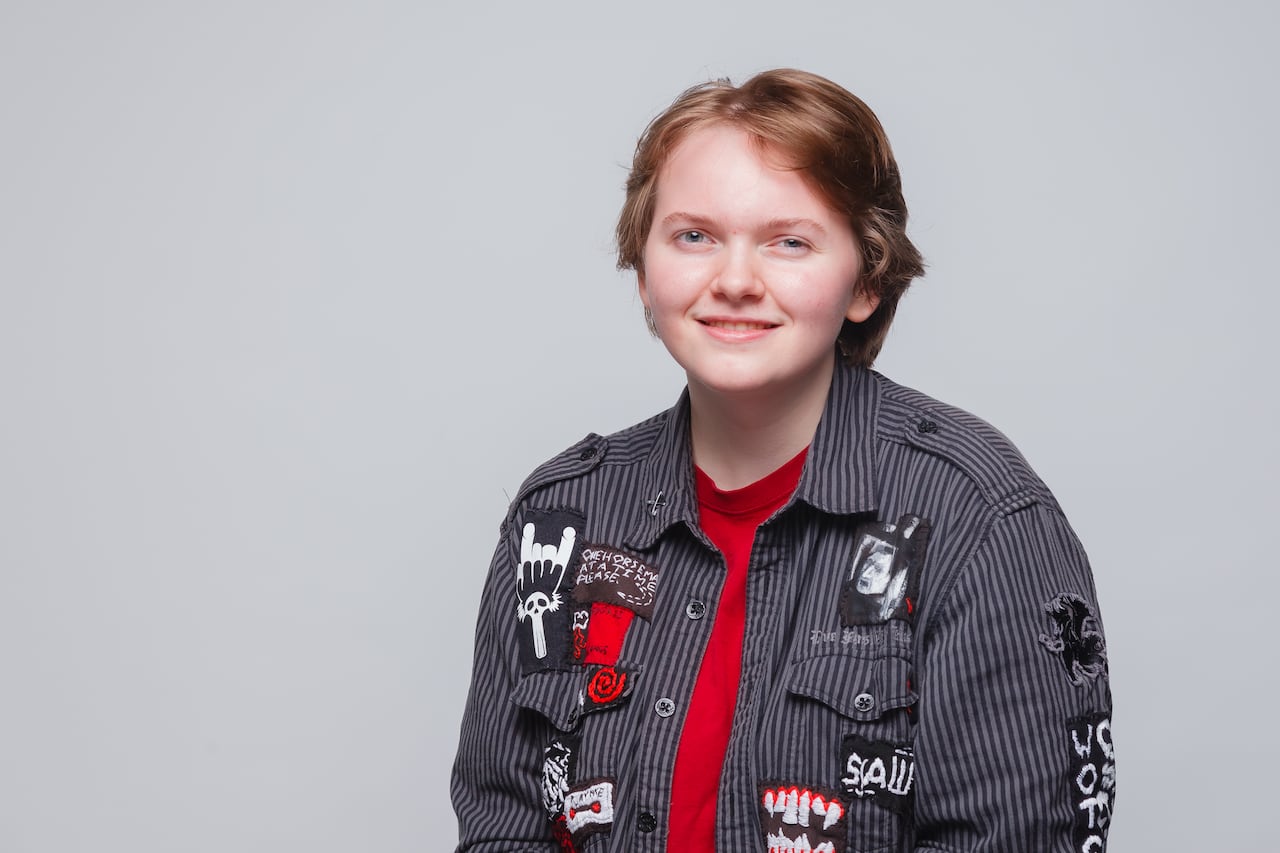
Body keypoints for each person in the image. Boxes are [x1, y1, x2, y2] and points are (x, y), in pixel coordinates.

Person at [451, 68, 1114, 853]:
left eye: (789, 241)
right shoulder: (560, 519)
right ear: (642, 268)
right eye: (693, 236)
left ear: (866, 278)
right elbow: (504, 824)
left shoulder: (978, 519)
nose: (734, 281)